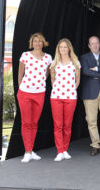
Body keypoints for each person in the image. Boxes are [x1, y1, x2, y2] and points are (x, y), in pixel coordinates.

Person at [17, 33, 52, 163]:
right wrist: (22, 87)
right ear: (32, 43)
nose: (37, 43)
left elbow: (46, 74)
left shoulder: (48, 58)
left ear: (43, 43)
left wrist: (39, 84)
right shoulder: (25, 55)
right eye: (35, 41)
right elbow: (20, 74)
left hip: (40, 93)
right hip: (25, 93)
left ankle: (30, 149)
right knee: (26, 123)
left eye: (40, 41)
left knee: (34, 123)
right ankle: (27, 152)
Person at [50, 38, 80, 161]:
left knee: (67, 125)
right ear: (58, 49)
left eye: (65, 47)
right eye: (61, 47)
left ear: (69, 48)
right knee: (58, 125)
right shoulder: (54, 63)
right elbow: (52, 79)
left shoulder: (75, 62)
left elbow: (78, 79)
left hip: (71, 97)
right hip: (56, 97)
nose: (63, 49)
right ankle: (59, 151)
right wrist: (57, 89)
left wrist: (72, 89)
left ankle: (65, 149)